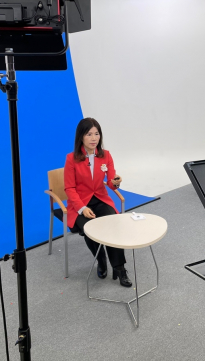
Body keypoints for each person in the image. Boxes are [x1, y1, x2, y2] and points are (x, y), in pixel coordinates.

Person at [64, 117, 132, 287]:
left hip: (101, 199)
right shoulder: (71, 159)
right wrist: (82, 208)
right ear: (81, 137)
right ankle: (101, 260)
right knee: (90, 229)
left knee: (113, 225)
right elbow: (69, 188)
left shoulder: (106, 155)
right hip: (80, 202)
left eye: (97, 134)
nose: (94, 138)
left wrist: (116, 182)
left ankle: (120, 268)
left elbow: (110, 182)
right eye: (89, 134)